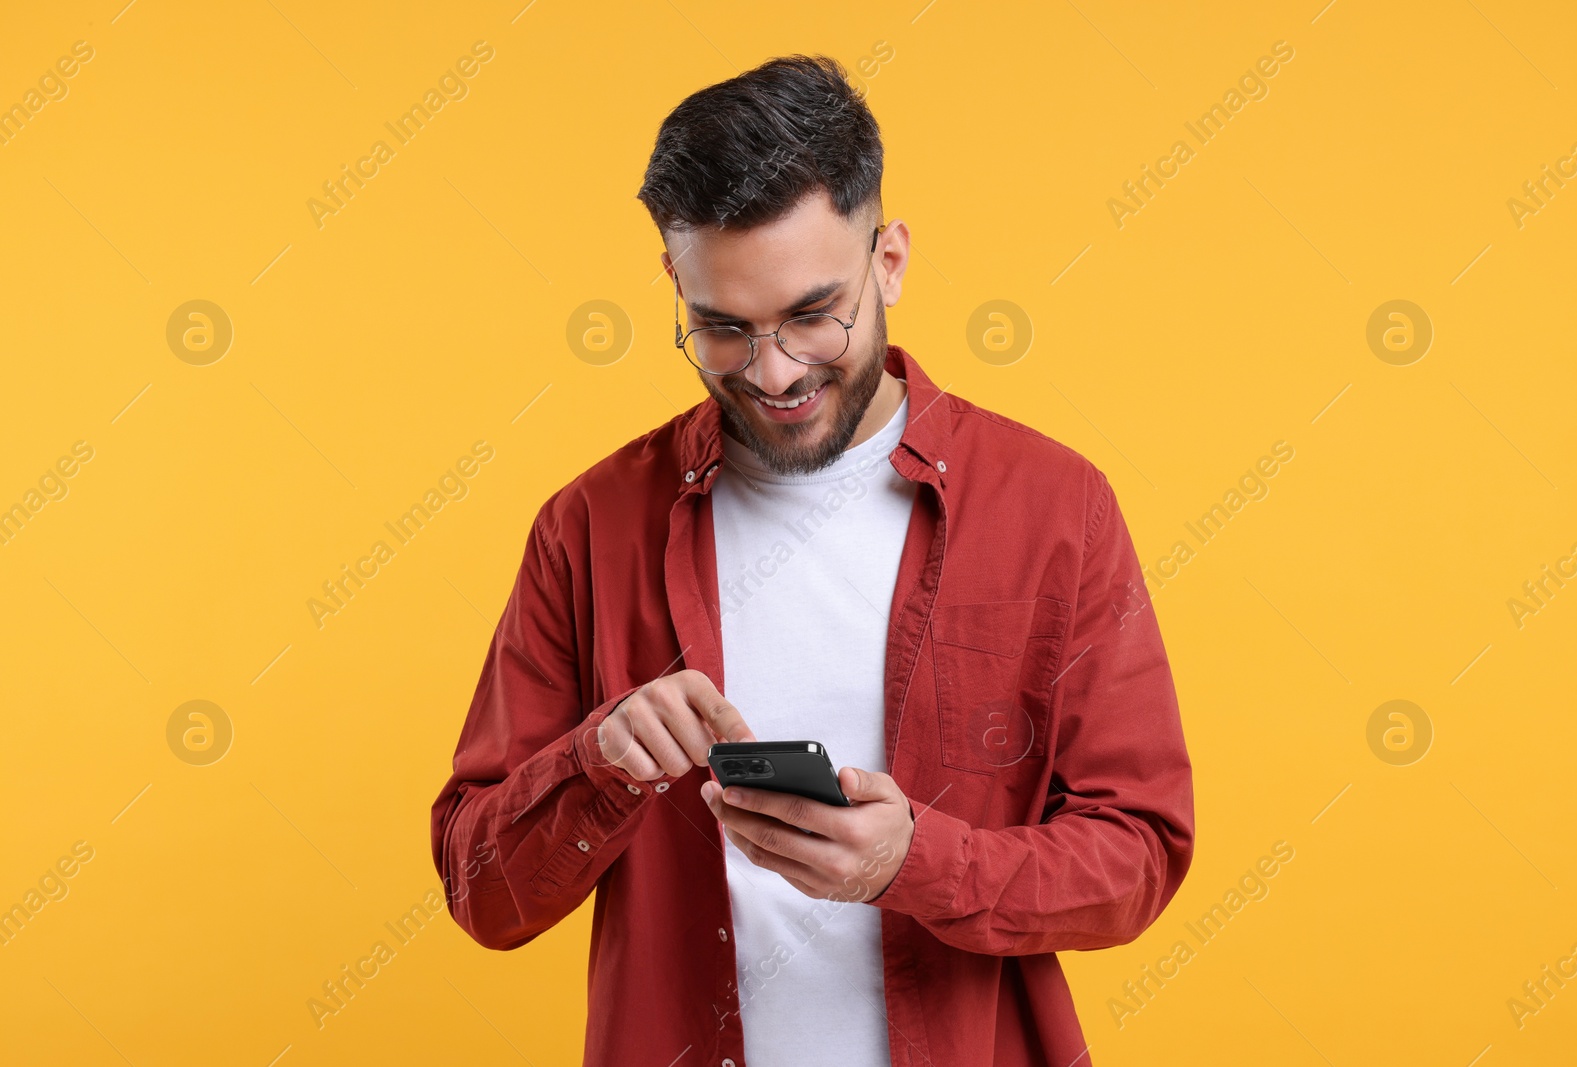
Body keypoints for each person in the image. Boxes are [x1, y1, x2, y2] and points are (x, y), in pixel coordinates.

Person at [430, 53, 1195, 1067]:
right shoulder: (588, 526)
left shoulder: (1055, 506)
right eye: (721, 328)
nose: (774, 370)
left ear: (889, 261)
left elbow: (1138, 854)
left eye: (810, 314)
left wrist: (917, 861)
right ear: (674, 283)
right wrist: (596, 759)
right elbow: (482, 893)